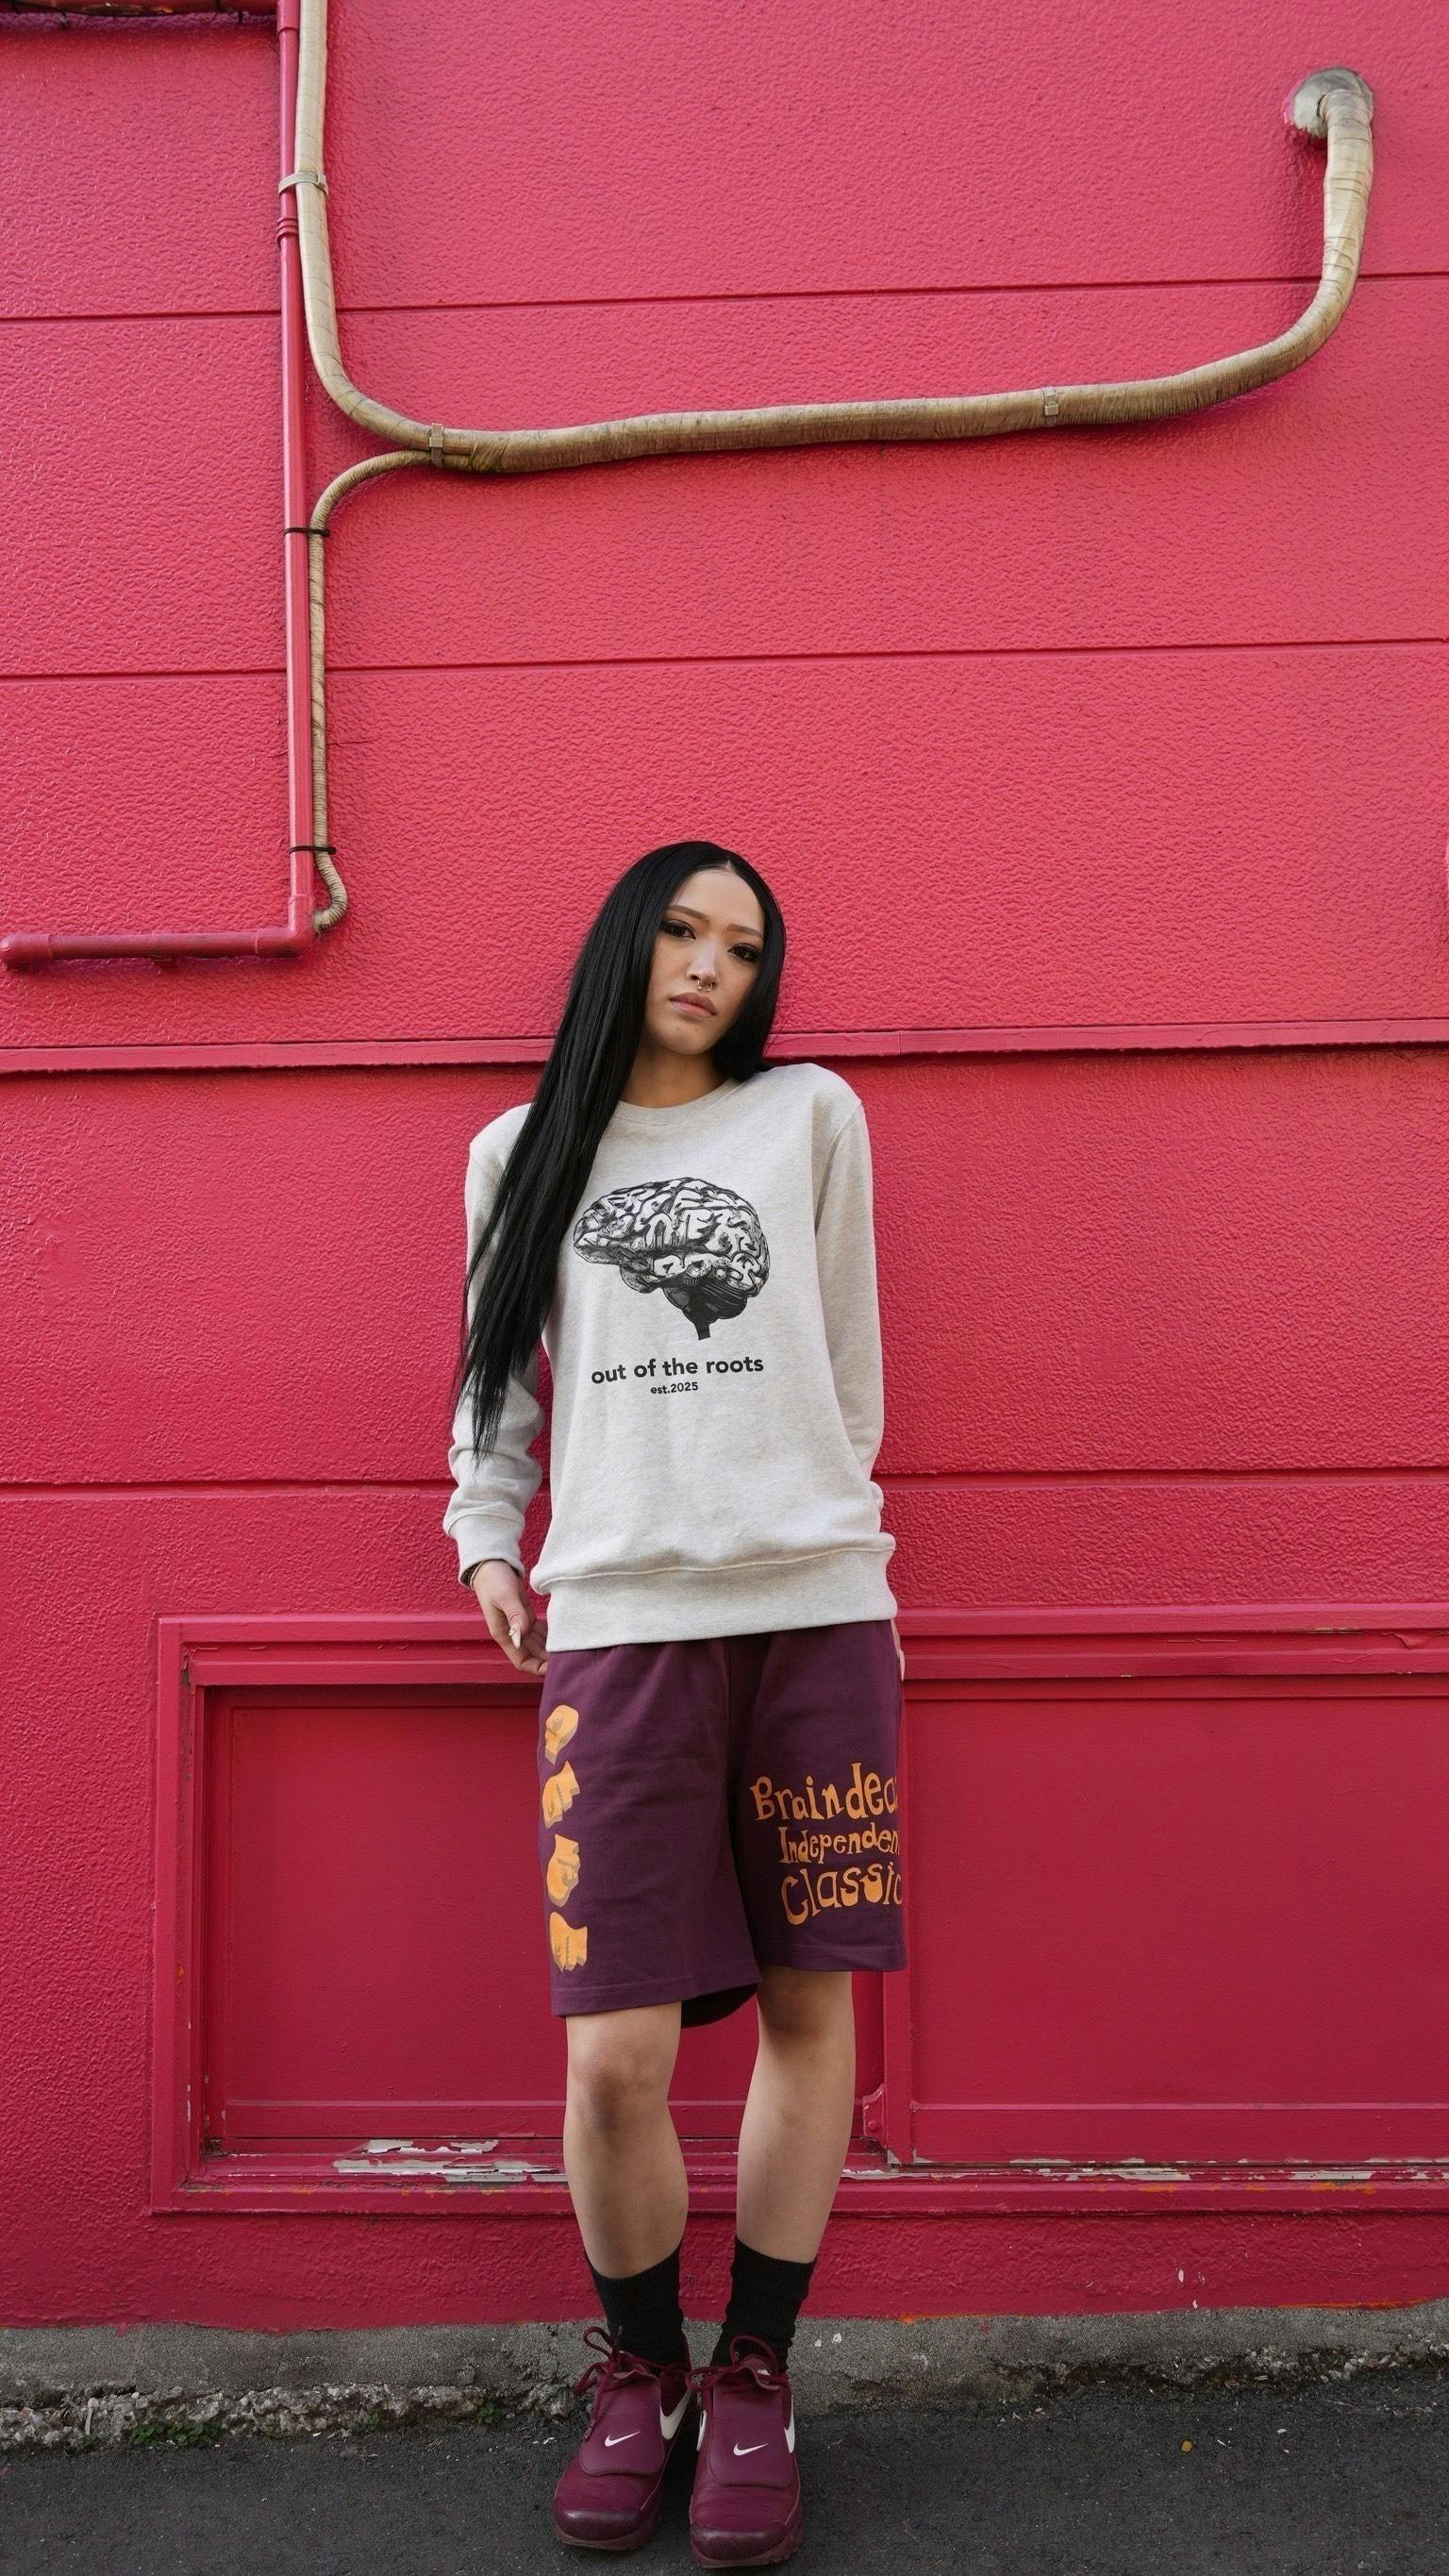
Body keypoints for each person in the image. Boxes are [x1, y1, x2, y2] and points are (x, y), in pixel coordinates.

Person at [443, 839, 906, 2567]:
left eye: (745, 946)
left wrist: (820, 1543)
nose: (712, 965)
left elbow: (848, 1376)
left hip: (813, 1616)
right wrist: (489, 1536)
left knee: (807, 2007)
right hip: (621, 1624)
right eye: (687, 931)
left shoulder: (810, 1119)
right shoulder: (521, 1154)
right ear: (628, 942)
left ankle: (755, 2372)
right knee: (615, 2053)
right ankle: (640, 2370)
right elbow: (494, 1380)